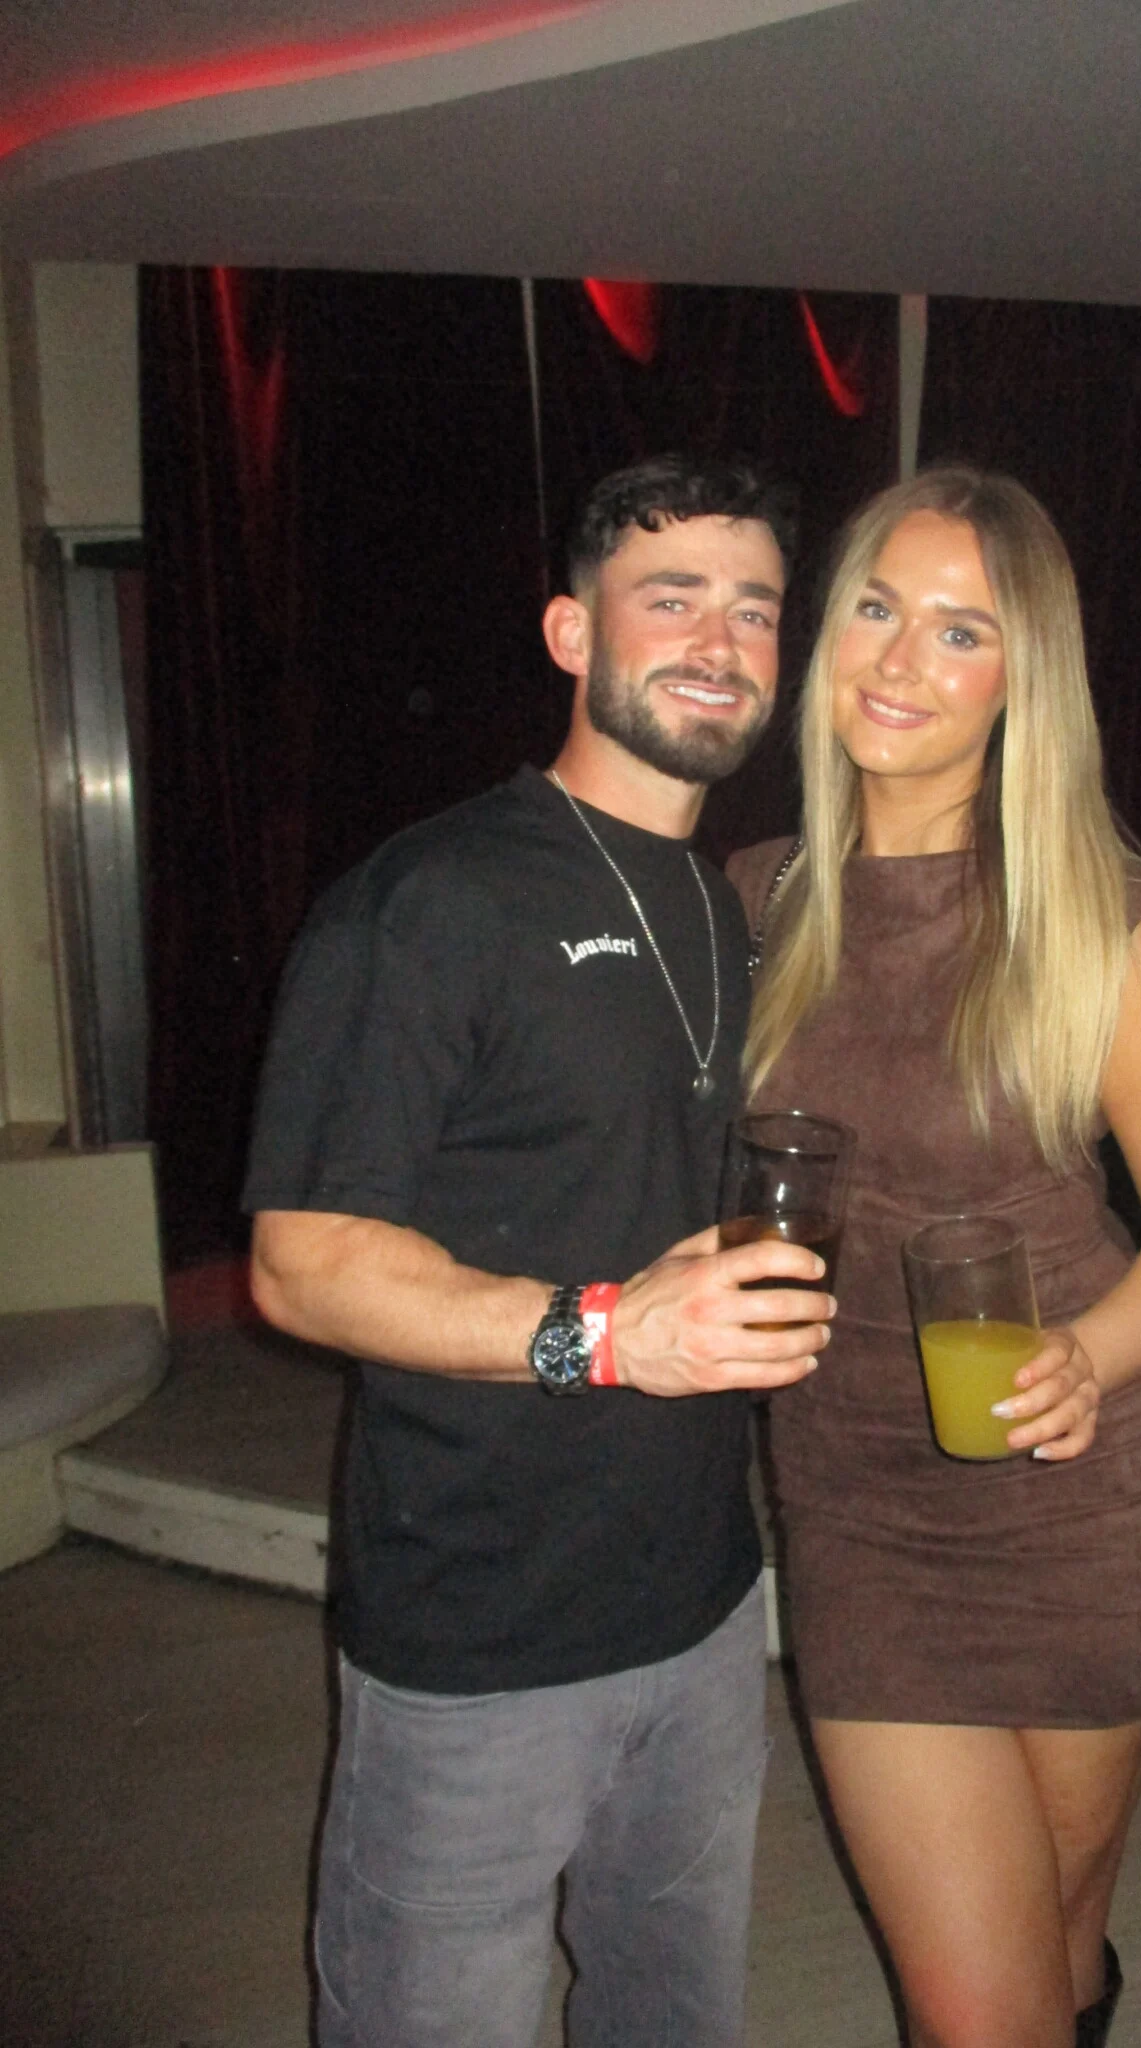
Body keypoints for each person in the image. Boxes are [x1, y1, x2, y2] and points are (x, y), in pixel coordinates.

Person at [243, 453, 837, 2048]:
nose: (718, 640)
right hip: (480, 1640)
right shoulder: (431, 900)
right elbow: (301, 1263)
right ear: (574, 632)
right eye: (671, 598)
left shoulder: (721, 907)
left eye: (754, 608)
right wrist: (613, 1333)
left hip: (704, 1610)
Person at [728, 467, 1141, 2048]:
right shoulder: (753, 899)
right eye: (878, 609)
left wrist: (1091, 1354)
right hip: (861, 1513)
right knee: (982, 2008)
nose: (902, 661)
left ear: (1028, 681)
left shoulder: (1090, 920)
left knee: (1059, 1948)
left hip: (1088, 1506)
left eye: (963, 631)